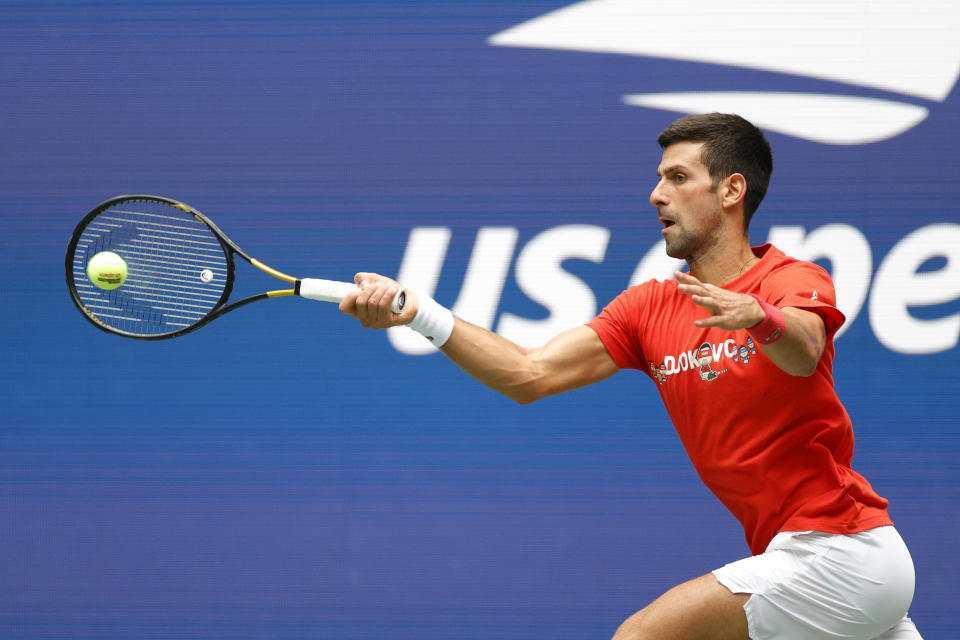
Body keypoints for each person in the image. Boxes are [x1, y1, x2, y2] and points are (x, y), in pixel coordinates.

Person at [339, 113, 922, 640]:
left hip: (840, 550)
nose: (655, 195)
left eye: (677, 178)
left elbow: (803, 348)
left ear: (731, 190)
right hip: (822, 564)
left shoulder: (789, 280)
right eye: (658, 179)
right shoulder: (647, 309)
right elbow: (529, 373)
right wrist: (420, 314)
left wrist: (758, 317)